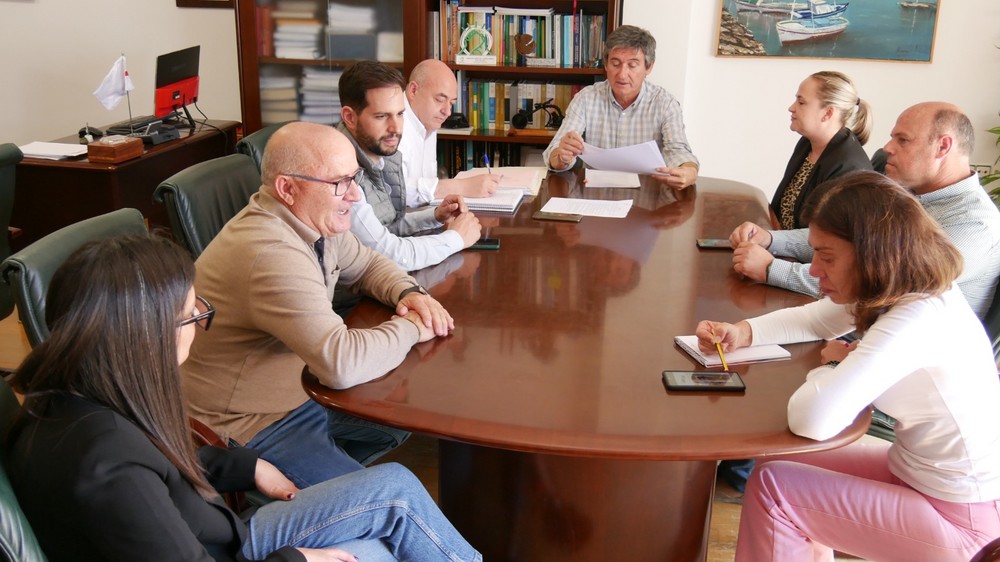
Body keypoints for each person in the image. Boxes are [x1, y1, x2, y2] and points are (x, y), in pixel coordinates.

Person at [4, 234, 482, 562]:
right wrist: (295, 557)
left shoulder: (78, 391)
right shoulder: (104, 464)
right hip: (226, 547)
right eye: (193, 316)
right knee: (385, 527)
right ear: (146, 337)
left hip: (219, 532)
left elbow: (162, 463)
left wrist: (244, 466)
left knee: (387, 514)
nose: (199, 325)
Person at [698, 171, 1000, 561]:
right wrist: (741, 331)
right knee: (781, 462)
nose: (813, 270)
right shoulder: (904, 283)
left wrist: (836, 365)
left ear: (871, 253)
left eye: (827, 257)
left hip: (962, 518)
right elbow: (817, 320)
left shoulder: (917, 316)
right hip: (922, 475)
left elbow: (813, 418)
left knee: (777, 490)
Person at [183, 121, 456, 488]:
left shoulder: (313, 220)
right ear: (288, 188)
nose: (355, 195)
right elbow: (341, 364)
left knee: (402, 420)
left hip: (301, 391)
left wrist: (410, 295)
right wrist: (412, 327)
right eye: (339, 183)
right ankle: (312, 511)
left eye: (354, 178)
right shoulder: (270, 253)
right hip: (249, 424)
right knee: (380, 499)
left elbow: (369, 264)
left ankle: (327, 488)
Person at [731, 102, 1000, 319]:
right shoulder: (910, 194)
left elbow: (878, 286)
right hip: (858, 327)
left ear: (943, 146)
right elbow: (840, 239)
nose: (887, 148)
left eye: (903, 140)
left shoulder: (974, 227)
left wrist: (772, 270)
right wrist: (771, 239)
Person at [337, 60, 481, 272]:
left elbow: (383, 227)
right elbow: (389, 255)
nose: (395, 128)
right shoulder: (342, 174)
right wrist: (455, 238)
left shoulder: (375, 151)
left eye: (400, 114)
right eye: (381, 116)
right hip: (348, 299)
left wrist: (434, 216)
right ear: (349, 117)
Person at [542, 25, 700, 189]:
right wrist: (561, 157)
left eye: (632, 65)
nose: (622, 74)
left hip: (647, 199)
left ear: (649, 67)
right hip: (596, 198)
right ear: (606, 64)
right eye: (615, 64)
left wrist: (689, 170)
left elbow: (678, 149)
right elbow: (555, 151)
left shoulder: (665, 103)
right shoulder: (586, 98)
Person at [768, 70, 873, 230]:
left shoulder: (848, 168)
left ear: (828, 113)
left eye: (801, 102)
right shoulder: (807, 143)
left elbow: (822, 237)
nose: (791, 108)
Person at [400, 58, 500, 207]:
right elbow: (395, 191)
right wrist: (462, 187)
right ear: (413, 90)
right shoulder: (392, 121)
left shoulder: (426, 118)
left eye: (452, 103)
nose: (447, 112)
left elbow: (425, 189)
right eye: (440, 99)